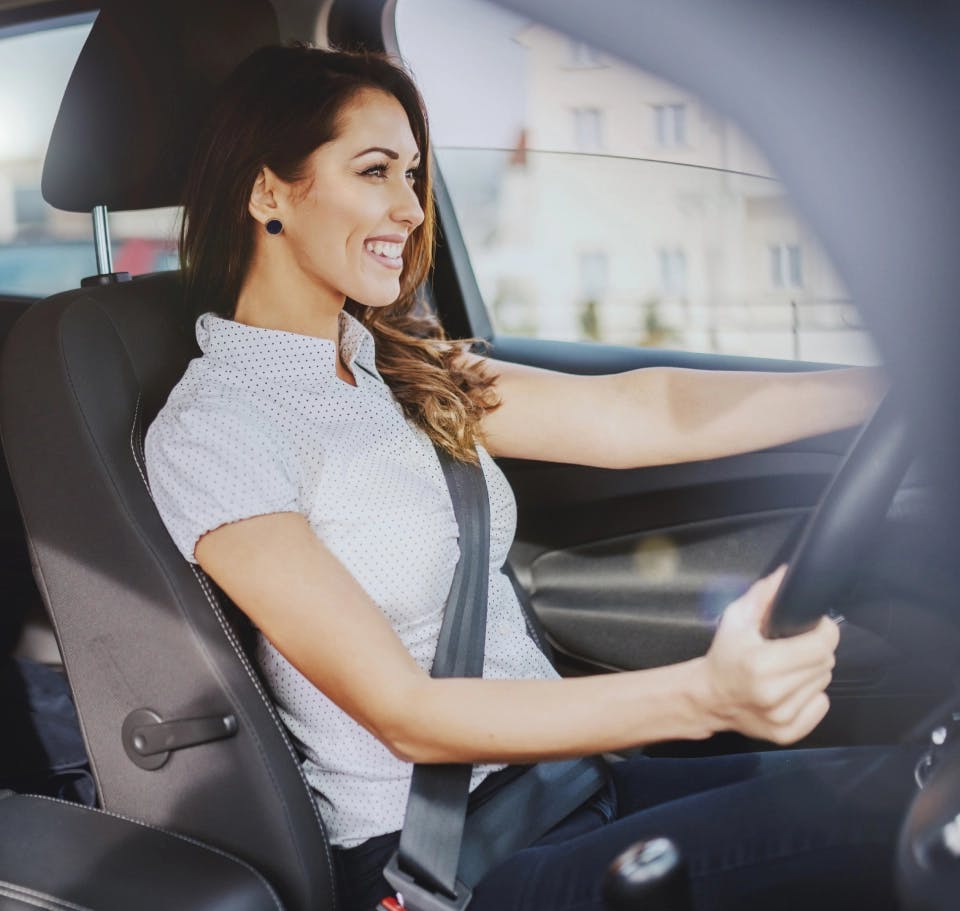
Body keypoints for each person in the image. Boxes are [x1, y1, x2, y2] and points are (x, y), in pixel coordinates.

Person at [144, 44, 920, 911]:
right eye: (375, 172)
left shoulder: (396, 365)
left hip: (569, 789)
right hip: (447, 859)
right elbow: (403, 710)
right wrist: (707, 693)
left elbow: (644, 415)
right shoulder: (213, 429)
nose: (409, 206)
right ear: (268, 193)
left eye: (412, 173)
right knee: (903, 830)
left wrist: (901, 381)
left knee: (919, 783)